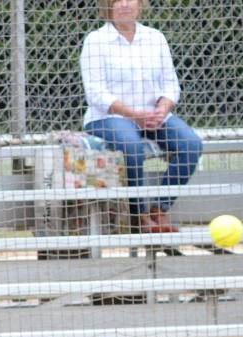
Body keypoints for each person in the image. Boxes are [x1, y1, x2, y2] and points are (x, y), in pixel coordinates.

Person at [80, 0, 203, 234]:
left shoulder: (155, 37)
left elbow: (171, 85)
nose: (124, 5)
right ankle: (139, 215)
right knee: (131, 147)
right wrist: (134, 115)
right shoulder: (95, 41)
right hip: (109, 117)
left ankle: (160, 208)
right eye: (117, 0)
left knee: (190, 144)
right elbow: (96, 94)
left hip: (153, 115)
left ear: (140, 4)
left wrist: (162, 109)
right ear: (108, 6)